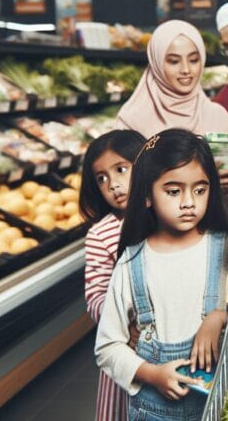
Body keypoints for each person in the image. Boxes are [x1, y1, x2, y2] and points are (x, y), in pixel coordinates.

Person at [95, 129, 228, 421]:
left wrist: (219, 316)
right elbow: (107, 347)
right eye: (174, 191)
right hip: (154, 411)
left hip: (222, 405)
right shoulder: (132, 262)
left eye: (200, 189)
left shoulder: (226, 249)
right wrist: (153, 374)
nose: (189, 202)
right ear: (146, 195)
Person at [116, 20, 228, 193]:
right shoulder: (131, 121)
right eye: (174, 61)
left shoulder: (218, 116)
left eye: (194, 60)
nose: (186, 69)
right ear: (157, 62)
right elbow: (122, 186)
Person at [81, 130, 146, 421]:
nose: (113, 185)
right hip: (125, 349)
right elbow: (94, 296)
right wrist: (123, 321)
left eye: (121, 170)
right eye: (102, 178)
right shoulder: (100, 234)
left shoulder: (168, 218)